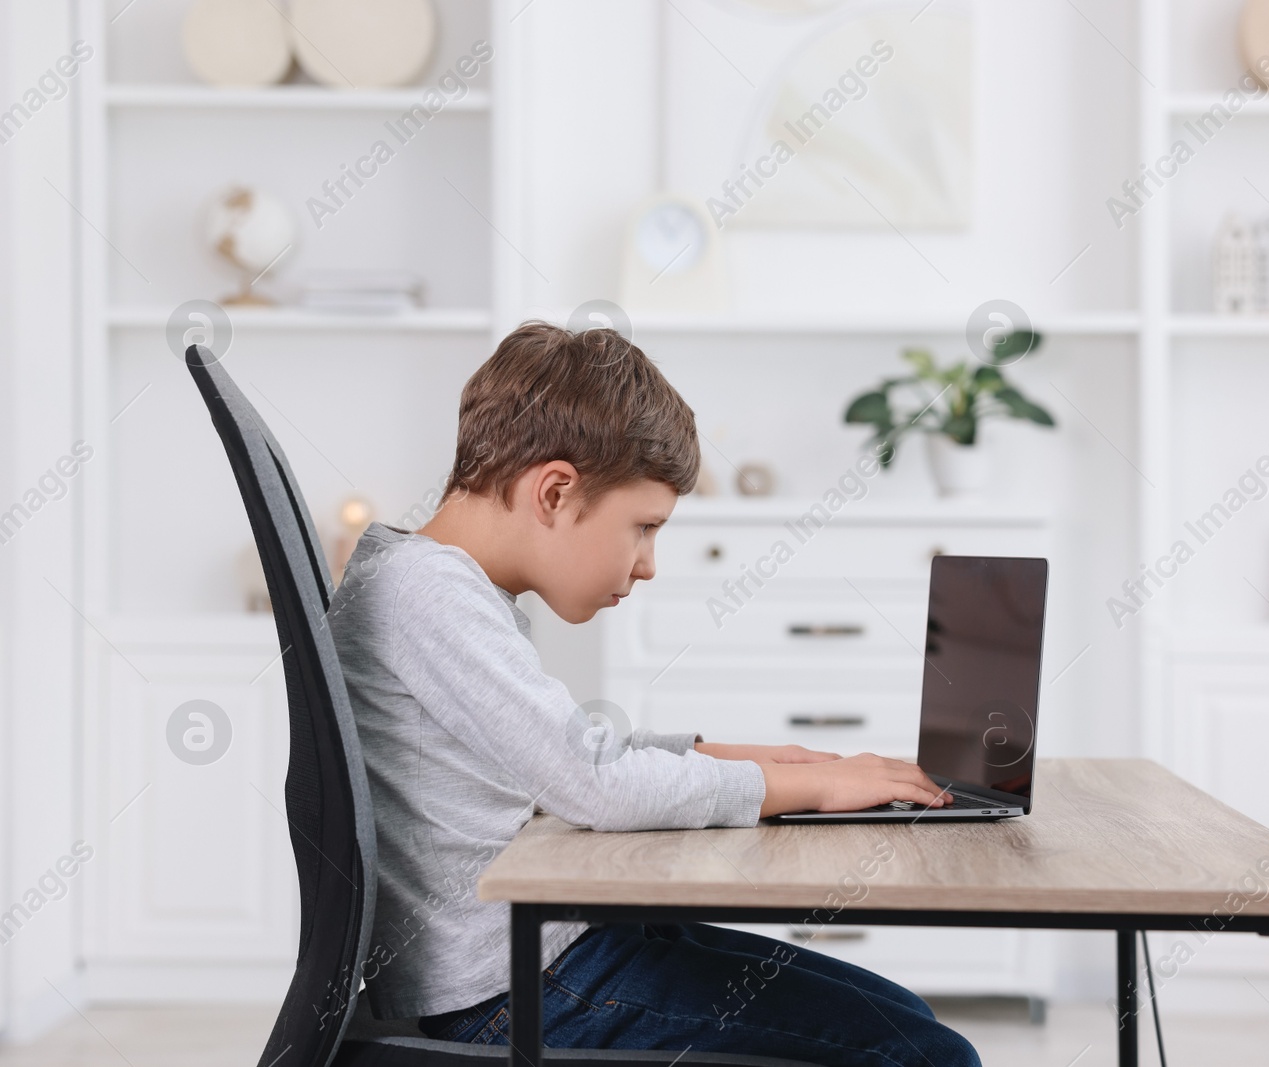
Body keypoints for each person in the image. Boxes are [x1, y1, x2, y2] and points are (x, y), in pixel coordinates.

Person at [329, 321, 981, 1066]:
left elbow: (563, 755)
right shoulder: (430, 591)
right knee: (925, 1054)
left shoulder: (427, 581)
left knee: (903, 1017)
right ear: (554, 491)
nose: (647, 565)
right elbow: (593, 782)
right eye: (643, 527)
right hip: (508, 991)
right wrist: (792, 786)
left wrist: (771, 765)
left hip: (540, 956)